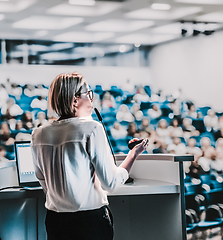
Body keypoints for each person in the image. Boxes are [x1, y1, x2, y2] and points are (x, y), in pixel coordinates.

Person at [31, 73, 148, 240]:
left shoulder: (38, 133)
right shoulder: (92, 128)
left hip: (55, 221)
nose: (92, 99)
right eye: (88, 93)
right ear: (75, 100)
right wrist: (133, 154)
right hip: (89, 222)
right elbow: (111, 183)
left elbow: (42, 179)